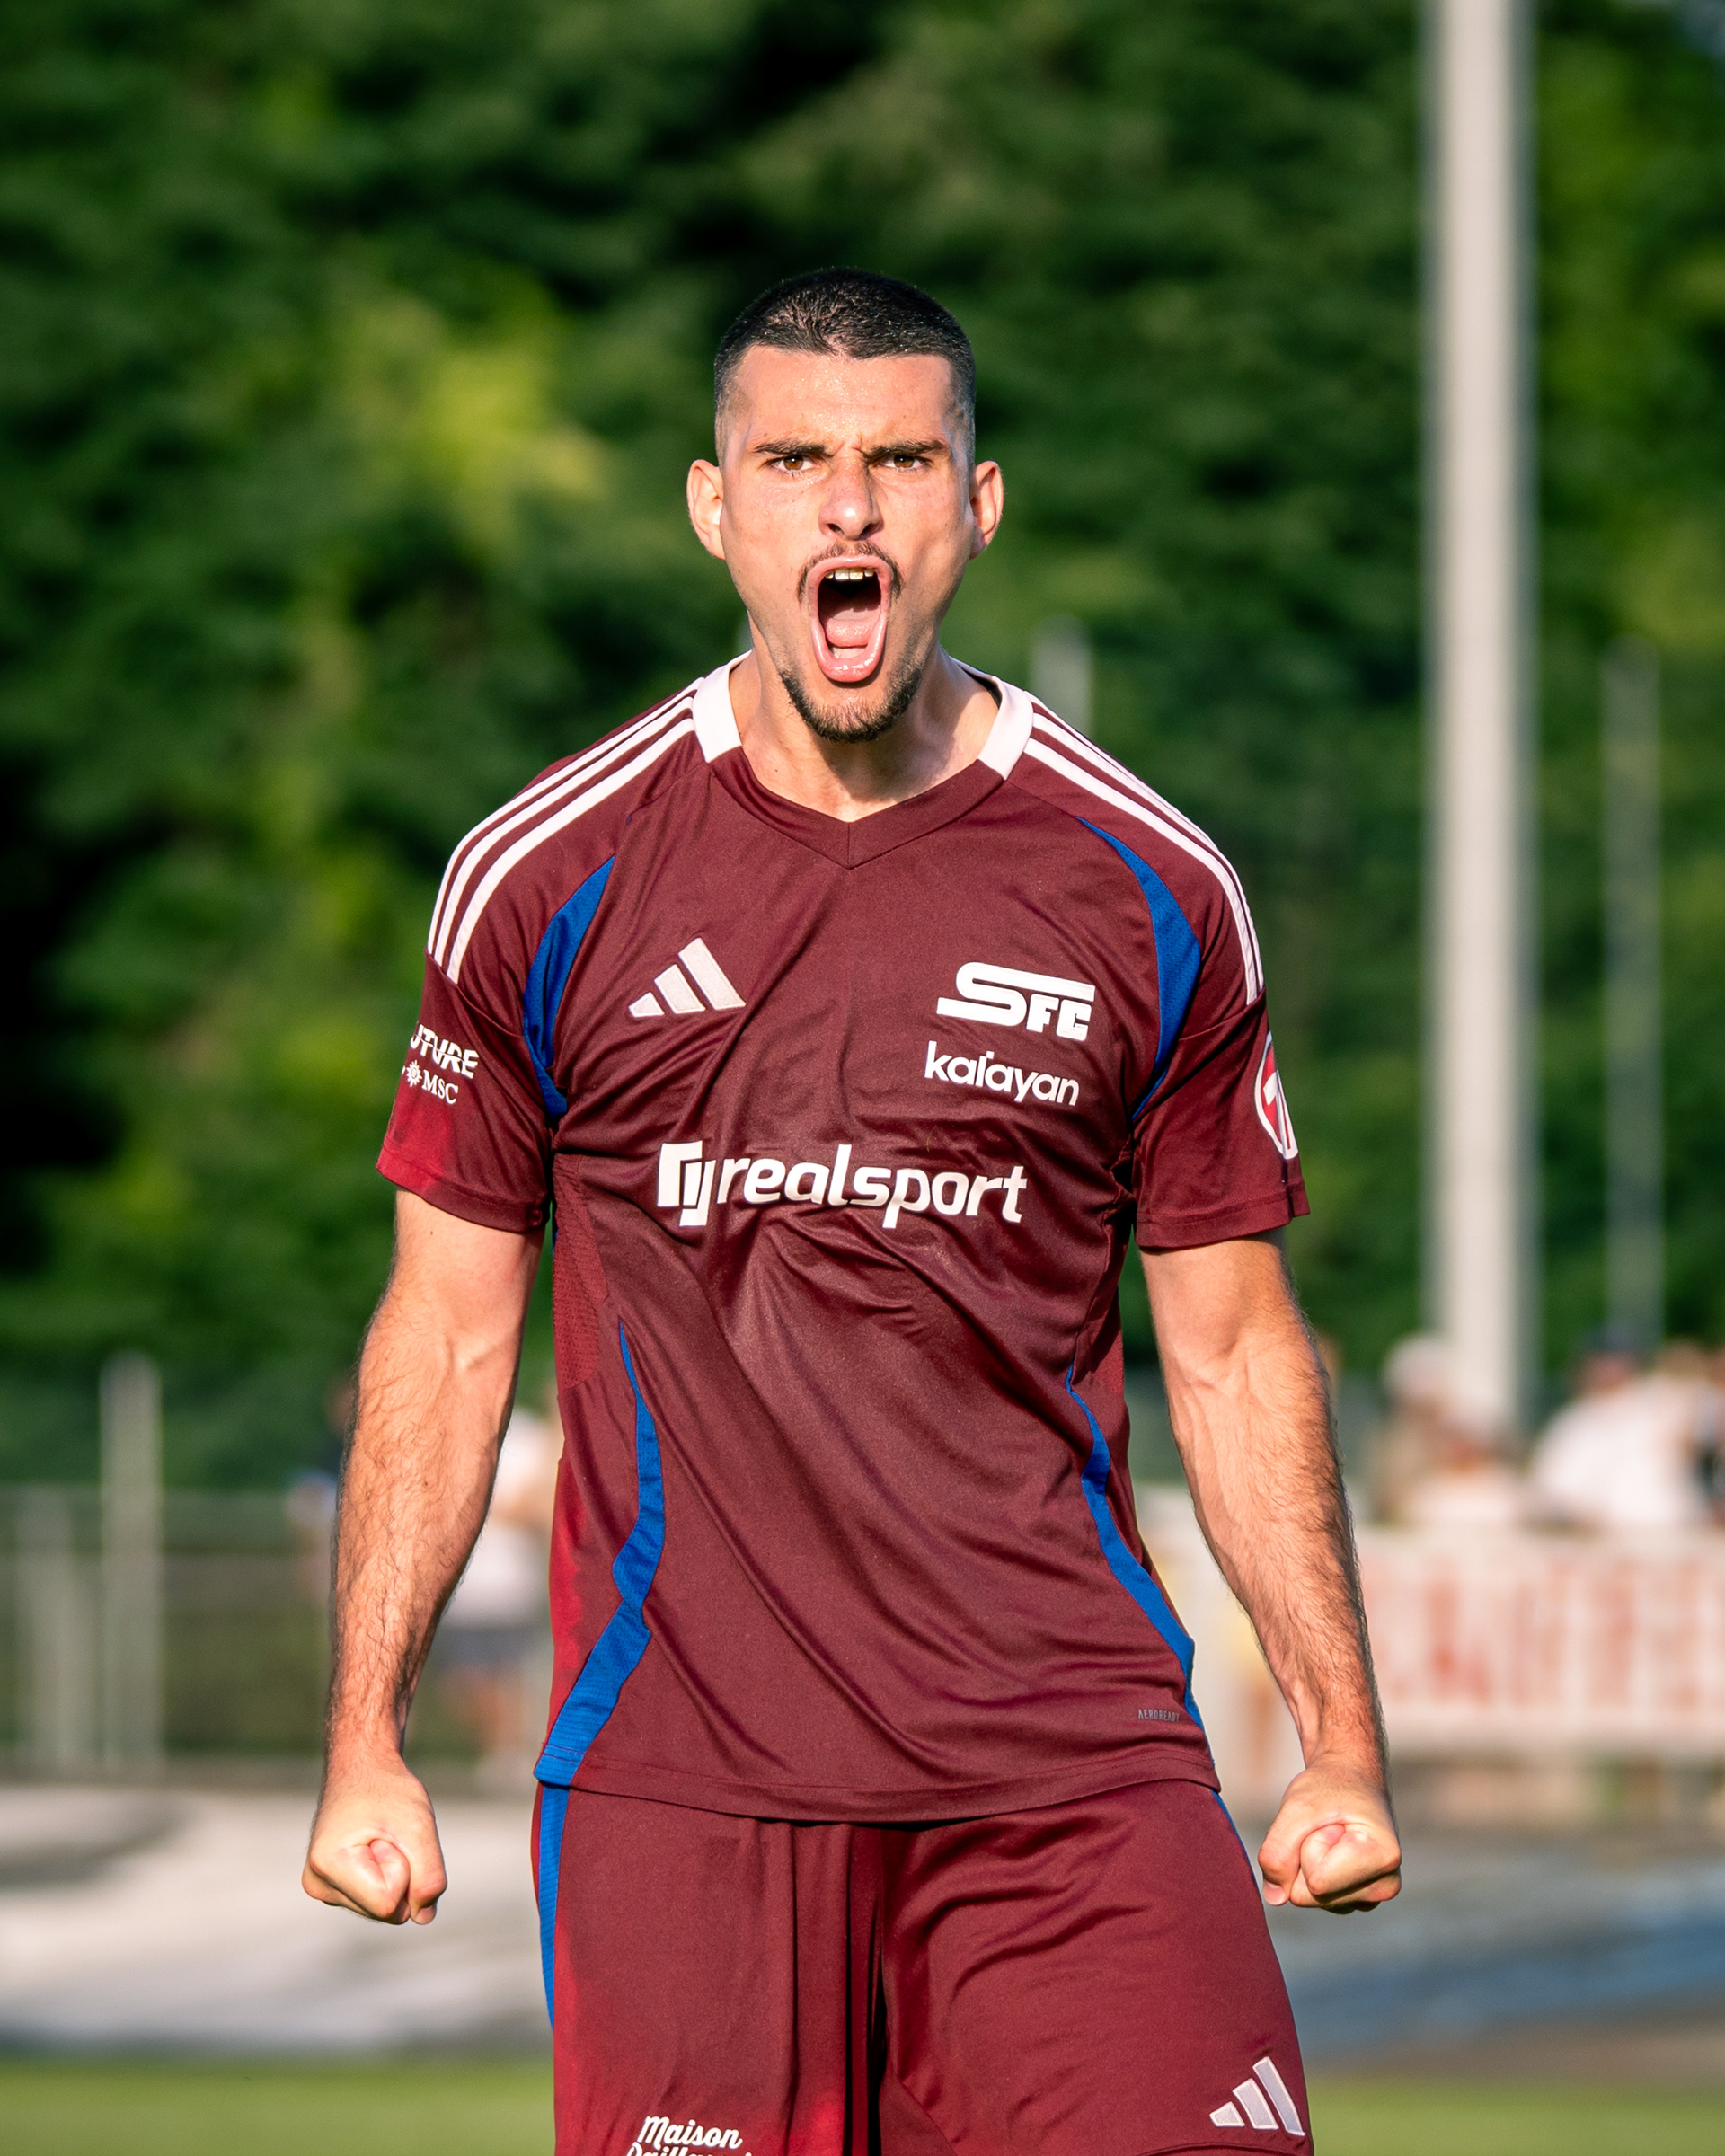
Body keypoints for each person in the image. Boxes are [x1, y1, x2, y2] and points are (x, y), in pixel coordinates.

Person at [303, 269, 1400, 2154]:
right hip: (684, 1783)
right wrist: (363, 1743)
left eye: (899, 461)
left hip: (1070, 1771)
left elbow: (1231, 1354)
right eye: (794, 461)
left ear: (978, 505)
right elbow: (450, 1332)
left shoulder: (1148, 883)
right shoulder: (545, 876)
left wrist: (1342, 1742)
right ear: (714, 508)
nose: (849, 508)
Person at [435, 1399, 559, 1783]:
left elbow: (539, 1506)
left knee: (509, 1674)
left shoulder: (526, 1436)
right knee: (463, 1681)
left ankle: (508, 1753)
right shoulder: (447, 1431)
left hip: (510, 1582)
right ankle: (498, 1746)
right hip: (462, 1586)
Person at [1528, 1332, 1714, 1533]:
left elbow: (1703, 1410)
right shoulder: (1572, 1422)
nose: (1609, 1368)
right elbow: (1550, 1489)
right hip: (1596, 1538)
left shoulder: (1661, 1401)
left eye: (1617, 1360)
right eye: (1602, 1361)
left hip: (1667, 1531)